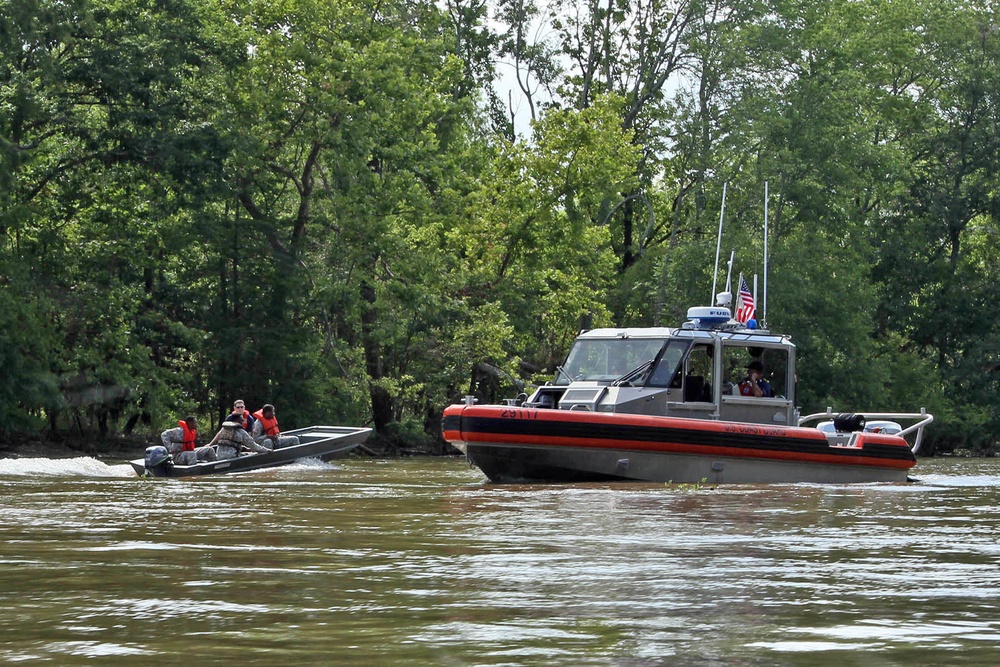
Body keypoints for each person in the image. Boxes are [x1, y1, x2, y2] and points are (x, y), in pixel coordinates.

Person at [207, 419, 274, 460]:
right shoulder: (241, 431)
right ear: (236, 421)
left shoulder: (224, 429)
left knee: (245, 452)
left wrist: (245, 448)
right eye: (242, 420)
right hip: (232, 457)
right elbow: (253, 446)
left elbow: (230, 444)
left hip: (219, 456)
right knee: (250, 454)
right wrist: (267, 450)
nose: (243, 421)